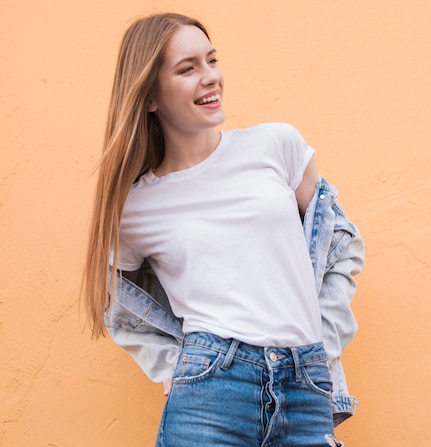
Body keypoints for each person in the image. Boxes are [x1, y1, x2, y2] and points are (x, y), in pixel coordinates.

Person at [81, 12, 364, 447]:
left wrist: (323, 342)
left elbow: (342, 247)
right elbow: (116, 304)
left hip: (306, 387)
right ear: (151, 96)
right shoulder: (136, 207)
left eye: (211, 61)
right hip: (211, 392)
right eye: (188, 68)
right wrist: (171, 364)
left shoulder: (277, 145)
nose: (210, 77)